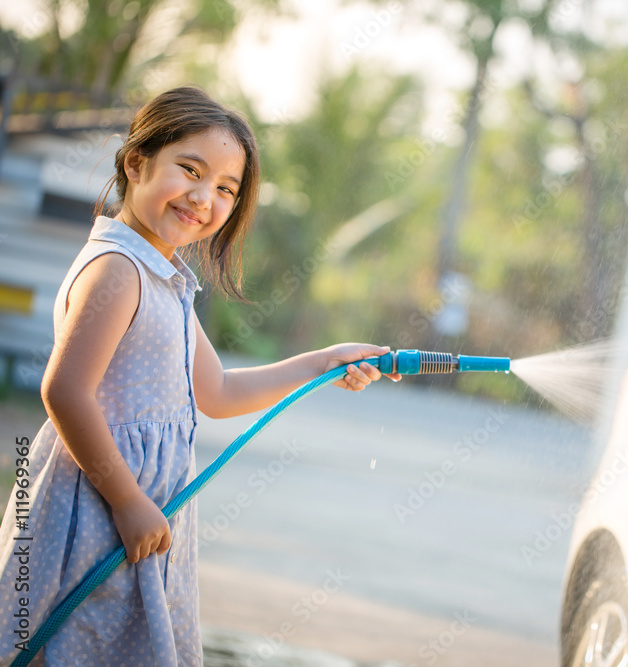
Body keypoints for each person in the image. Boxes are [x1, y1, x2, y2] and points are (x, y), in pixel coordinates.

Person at [0, 86, 400, 665]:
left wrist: (321, 362)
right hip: (96, 509)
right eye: (189, 170)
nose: (203, 197)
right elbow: (64, 391)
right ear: (136, 164)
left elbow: (217, 393)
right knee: (71, 644)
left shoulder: (163, 277)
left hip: (135, 512)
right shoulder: (118, 269)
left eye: (224, 189)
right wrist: (127, 498)